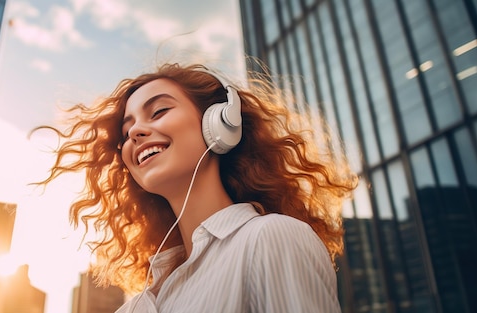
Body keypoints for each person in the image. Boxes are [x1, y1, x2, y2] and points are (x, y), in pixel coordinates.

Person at [36, 63, 357, 312]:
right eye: (127, 128)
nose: (135, 133)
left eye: (159, 111)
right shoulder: (139, 303)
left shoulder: (271, 237)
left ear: (220, 123)